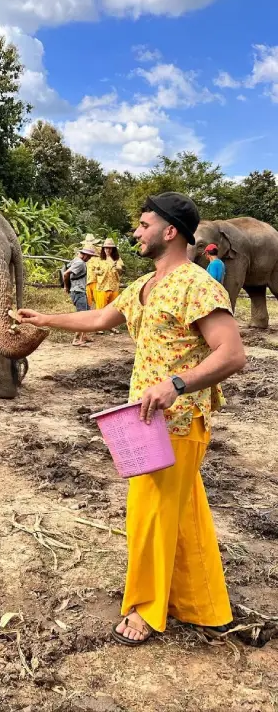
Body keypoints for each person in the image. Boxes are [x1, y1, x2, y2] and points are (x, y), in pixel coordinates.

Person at [17, 191, 246, 646]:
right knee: (183, 514)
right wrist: (44, 320)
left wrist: (176, 384)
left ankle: (145, 608)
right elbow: (102, 317)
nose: (135, 233)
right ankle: (204, 604)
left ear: (170, 231)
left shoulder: (196, 285)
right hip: (146, 420)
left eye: (143, 225)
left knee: (149, 515)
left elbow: (232, 353)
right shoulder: (145, 283)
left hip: (178, 420)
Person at [63, 247, 97, 346]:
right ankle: (76, 339)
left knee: (87, 313)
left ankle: (84, 336)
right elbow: (66, 274)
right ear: (84, 255)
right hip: (78, 291)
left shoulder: (76, 260)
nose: (89, 258)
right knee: (82, 316)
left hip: (80, 291)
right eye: (89, 256)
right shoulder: (80, 263)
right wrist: (66, 286)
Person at [94, 237, 124, 309]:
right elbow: (94, 270)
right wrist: (99, 272)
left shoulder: (117, 259)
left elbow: (120, 269)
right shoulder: (99, 259)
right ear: (103, 249)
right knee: (101, 309)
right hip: (102, 287)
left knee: (112, 309)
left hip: (114, 288)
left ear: (113, 249)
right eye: (106, 248)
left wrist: (114, 264)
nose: (108, 250)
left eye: (110, 248)